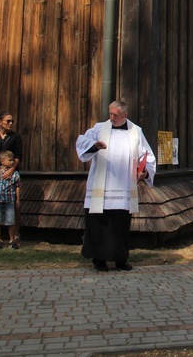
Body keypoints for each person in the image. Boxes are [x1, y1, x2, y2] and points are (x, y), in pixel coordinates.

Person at [76, 101, 156, 272]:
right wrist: (94, 146)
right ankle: (99, 260)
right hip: (101, 189)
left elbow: (147, 156)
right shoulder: (99, 128)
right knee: (99, 225)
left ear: (125, 115)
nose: (111, 118)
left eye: (115, 115)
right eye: (110, 114)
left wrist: (145, 173)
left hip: (124, 187)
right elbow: (81, 142)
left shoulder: (136, 131)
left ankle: (121, 260)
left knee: (120, 226)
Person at [0, 111, 23, 247]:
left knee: (13, 205)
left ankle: (15, 235)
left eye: (12, 121)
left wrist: (11, 169)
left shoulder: (15, 137)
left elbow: (18, 155)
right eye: (7, 121)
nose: (10, 123)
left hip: (12, 171)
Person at [0, 150, 21, 249]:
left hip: (9, 200)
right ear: (2, 161)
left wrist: (17, 199)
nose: (12, 162)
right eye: (10, 160)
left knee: (10, 221)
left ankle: (12, 240)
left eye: (12, 160)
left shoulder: (15, 174)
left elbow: (17, 186)